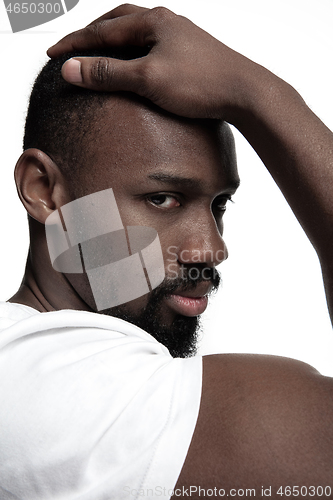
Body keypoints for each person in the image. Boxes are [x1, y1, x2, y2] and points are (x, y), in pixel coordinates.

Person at [0, 3, 332, 499]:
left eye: (219, 205)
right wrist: (257, 93)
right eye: (162, 199)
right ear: (45, 190)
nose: (211, 248)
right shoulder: (72, 395)